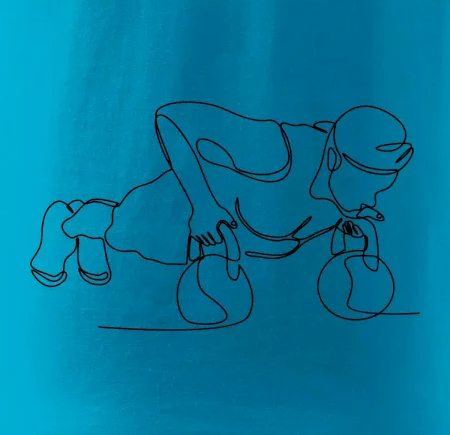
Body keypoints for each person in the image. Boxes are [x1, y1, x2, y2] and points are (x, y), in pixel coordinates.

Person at [30, 102, 413, 287]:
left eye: (381, 190)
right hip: (185, 205)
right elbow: (173, 118)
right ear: (332, 158)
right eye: (367, 188)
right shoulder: (277, 153)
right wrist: (203, 206)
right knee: (123, 229)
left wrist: (344, 223)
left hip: (216, 241)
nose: (372, 203)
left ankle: (91, 235)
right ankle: (66, 223)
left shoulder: (338, 189)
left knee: (134, 242)